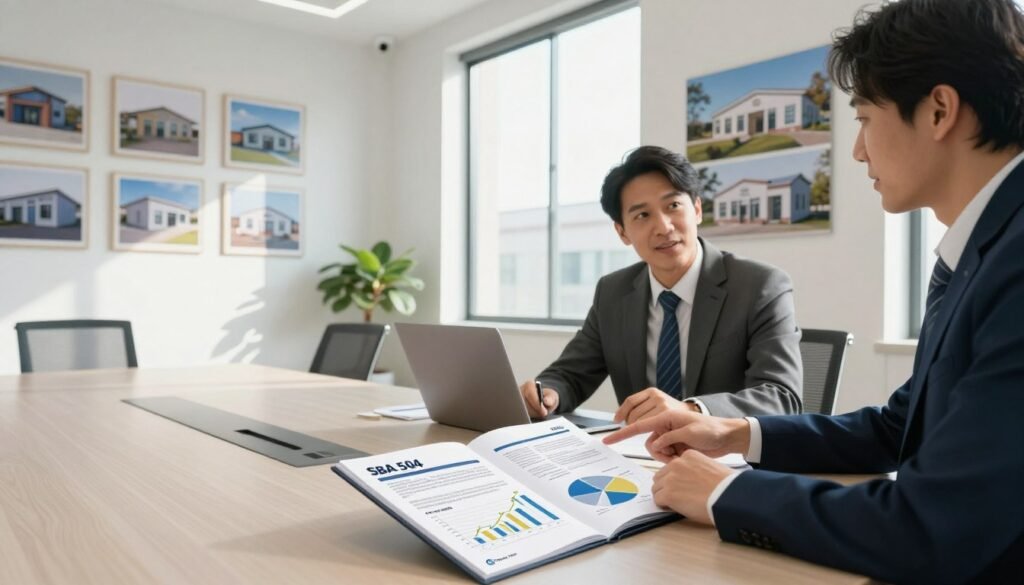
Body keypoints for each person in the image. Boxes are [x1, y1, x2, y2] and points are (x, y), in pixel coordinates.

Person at [603, 1, 1024, 582]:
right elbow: (894, 428)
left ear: (939, 111)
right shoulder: (983, 250)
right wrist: (733, 433)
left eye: (866, 118)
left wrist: (727, 494)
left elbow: (935, 526)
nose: (857, 150)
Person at [519, 146, 803, 423]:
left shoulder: (760, 286)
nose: (664, 227)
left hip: (726, 460)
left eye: (673, 206)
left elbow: (781, 397)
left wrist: (691, 411)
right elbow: (571, 374)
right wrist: (547, 394)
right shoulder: (613, 292)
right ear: (622, 232)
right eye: (642, 215)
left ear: (697, 209)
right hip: (639, 456)